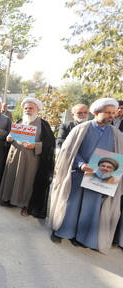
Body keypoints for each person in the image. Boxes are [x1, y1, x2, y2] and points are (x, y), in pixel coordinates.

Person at [50, 98, 122, 253]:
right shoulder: (81, 128)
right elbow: (69, 151)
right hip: (78, 174)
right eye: (107, 112)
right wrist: (81, 164)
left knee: (91, 207)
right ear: (96, 112)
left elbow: (119, 156)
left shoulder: (116, 133)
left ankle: (83, 238)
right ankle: (61, 232)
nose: (111, 116)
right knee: (70, 205)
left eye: (112, 113)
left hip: (99, 179)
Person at [0, 98, 55, 218]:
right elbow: (11, 135)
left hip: (31, 161)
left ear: (38, 109)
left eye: (31, 108)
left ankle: (26, 205)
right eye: (26, 108)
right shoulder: (20, 122)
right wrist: (9, 137)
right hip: (15, 157)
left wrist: (35, 145)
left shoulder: (43, 124)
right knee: (12, 177)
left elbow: (50, 144)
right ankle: (10, 199)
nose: (28, 110)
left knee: (28, 182)